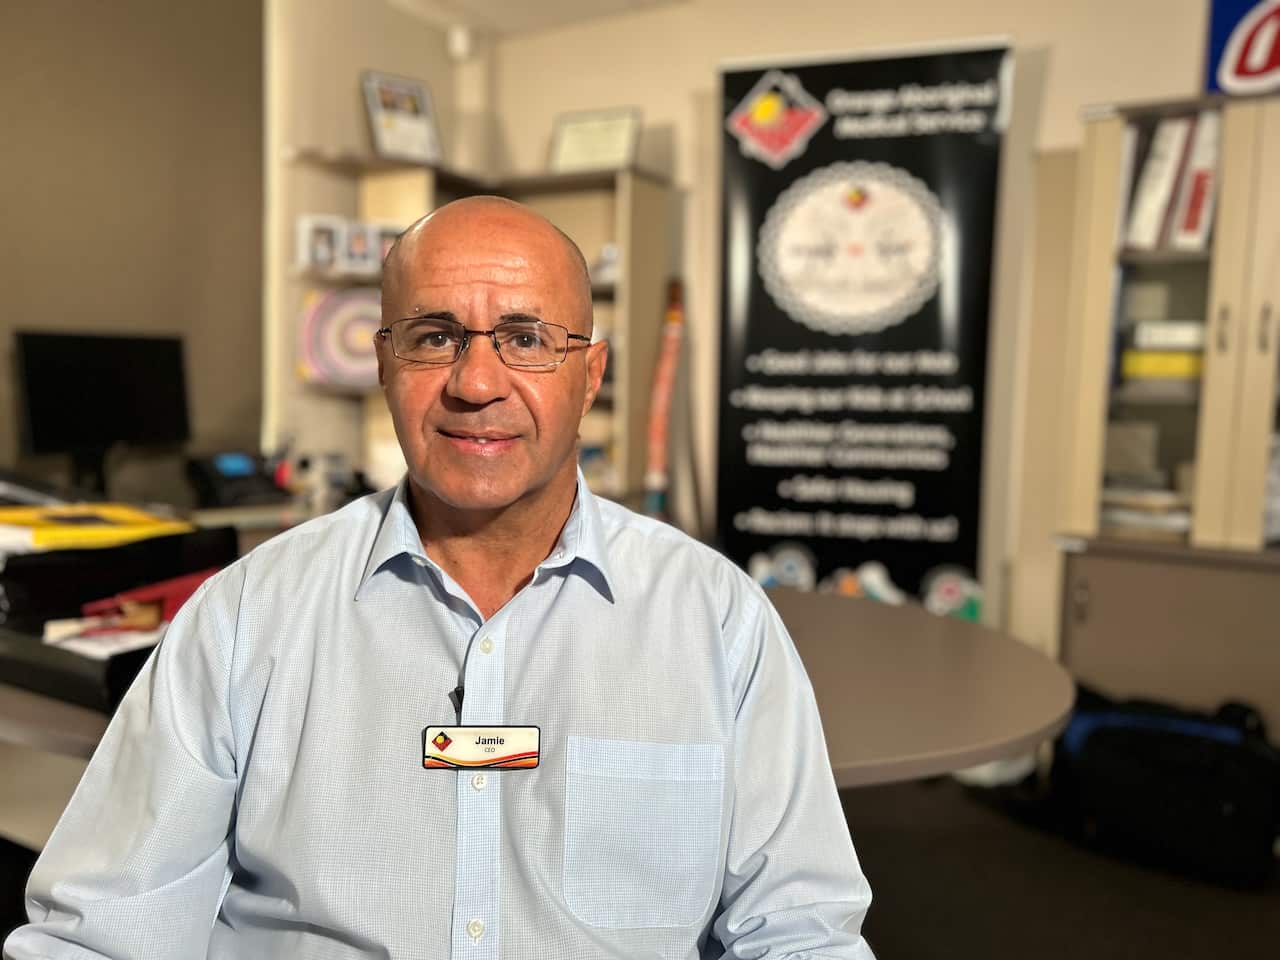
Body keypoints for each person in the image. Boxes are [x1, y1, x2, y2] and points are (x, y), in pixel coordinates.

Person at [6, 197, 874, 959]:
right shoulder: (246, 616)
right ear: (384, 363)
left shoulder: (715, 621)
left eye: (528, 339)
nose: (476, 383)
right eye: (435, 338)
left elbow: (798, 932)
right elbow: (98, 933)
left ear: (591, 374)